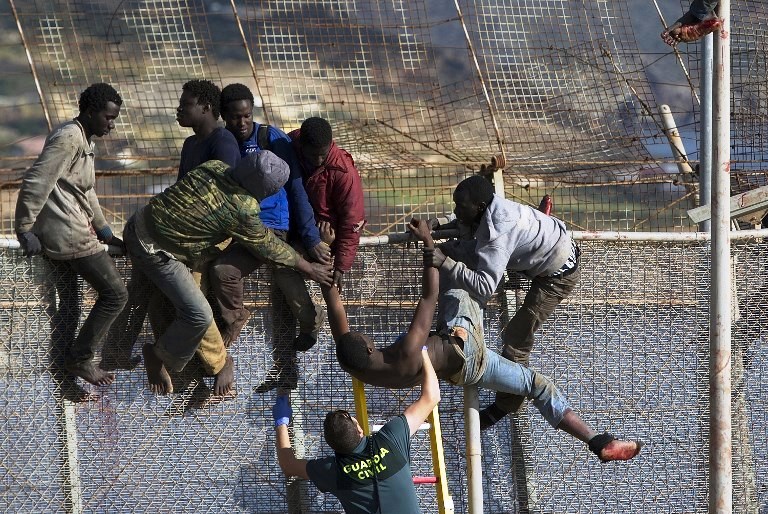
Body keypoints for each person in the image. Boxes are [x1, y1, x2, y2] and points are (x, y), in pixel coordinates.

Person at [323, 219, 641, 463]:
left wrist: (328, 253)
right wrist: (427, 243)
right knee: (460, 272)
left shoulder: (356, 365)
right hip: (464, 342)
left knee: (537, 385)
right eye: (365, 338)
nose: (365, 335)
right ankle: (524, 255)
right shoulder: (405, 352)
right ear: (366, 348)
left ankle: (596, 441)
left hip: (462, 368)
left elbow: (335, 306)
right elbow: (428, 295)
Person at [122, 151, 334, 396]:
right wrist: (310, 268)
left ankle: (212, 364)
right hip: (157, 252)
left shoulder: (214, 166)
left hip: (139, 225)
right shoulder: (242, 208)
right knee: (198, 314)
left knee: (190, 296)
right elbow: (269, 246)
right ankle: (166, 356)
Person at [107, 79, 243, 371]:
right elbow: (183, 191)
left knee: (193, 303)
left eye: (185, 105)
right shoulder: (191, 144)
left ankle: (219, 365)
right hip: (178, 235)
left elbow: (224, 199)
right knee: (147, 291)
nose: (178, 110)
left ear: (206, 108)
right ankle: (120, 352)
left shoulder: (222, 143)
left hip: (202, 239)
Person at [429, 175, 580, 430]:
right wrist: (437, 225)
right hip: (545, 247)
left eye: (460, 206)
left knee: (516, 341)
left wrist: (446, 263)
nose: (456, 210)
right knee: (463, 251)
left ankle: (504, 406)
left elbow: (486, 286)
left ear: (479, 207)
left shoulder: (497, 235)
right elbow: (464, 226)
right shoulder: (492, 206)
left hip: (557, 275)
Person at [14, 82, 128, 388]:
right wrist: (24, 228)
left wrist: (105, 233)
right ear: (90, 112)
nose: (111, 123)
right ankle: (81, 359)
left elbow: (85, 191)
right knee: (116, 294)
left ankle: (64, 372)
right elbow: (38, 180)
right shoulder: (68, 138)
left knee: (70, 305)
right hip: (68, 234)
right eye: (107, 117)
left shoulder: (83, 139)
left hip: (73, 230)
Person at [213, 84, 329, 379]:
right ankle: (235, 319)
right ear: (224, 116)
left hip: (273, 227)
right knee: (225, 271)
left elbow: (296, 187)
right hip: (242, 228)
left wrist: (311, 237)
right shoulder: (224, 145)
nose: (242, 123)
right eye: (236, 117)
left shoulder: (270, 138)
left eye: (247, 116)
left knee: (285, 283)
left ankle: (309, 327)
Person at [272, 346, 439, 513]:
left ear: (333, 446)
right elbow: (432, 396)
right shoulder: (391, 437)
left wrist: (281, 422)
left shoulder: (333, 470)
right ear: (359, 429)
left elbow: (288, 465)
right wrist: (422, 351)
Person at [288, 117, 366, 295]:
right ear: (302, 145)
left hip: (326, 238)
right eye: (313, 154)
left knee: (329, 287)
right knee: (283, 278)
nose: (318, 159)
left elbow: (353, 220)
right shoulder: (290, 146)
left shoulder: (343, 172)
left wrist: (341, 264)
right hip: (296, 229)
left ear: (330, 143)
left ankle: (312, 320)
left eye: (322, 154)